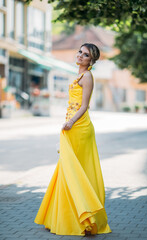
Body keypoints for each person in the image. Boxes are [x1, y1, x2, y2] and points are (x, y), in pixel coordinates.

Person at [34, 43, 112, 236]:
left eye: (85, 55)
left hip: (80, 127)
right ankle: (65, 216)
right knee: (68, 169)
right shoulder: (78, 75)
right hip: (72, 125)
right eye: (80, 52)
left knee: (76, 170)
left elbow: (84, 105)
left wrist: (70, 123)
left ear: (91, 61)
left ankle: (85, 219)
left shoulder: (87, 77)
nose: (80, 56)